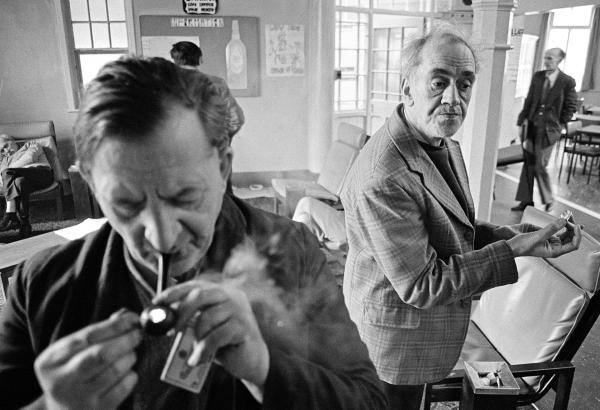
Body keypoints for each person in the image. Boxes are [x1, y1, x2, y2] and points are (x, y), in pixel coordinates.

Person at [0, 57, 387, 410]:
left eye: (184, 196)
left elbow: (369, 401)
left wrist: (266, 370)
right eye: (127, 205)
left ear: (223, 168)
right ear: (91, 183)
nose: (163, 239)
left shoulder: (292, 250)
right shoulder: (41, 284)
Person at [340, 28, 582, 409]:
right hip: (395, 339)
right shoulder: (384, 175)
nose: (453, 99)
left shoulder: (441, 142)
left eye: (465, 84)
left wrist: (519, 234)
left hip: (418, 329)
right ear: (407, 89)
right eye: (439, 83)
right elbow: (423, 284)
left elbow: (451, 230)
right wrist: (515, 248)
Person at [512, 47, 578, 212]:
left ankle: (548, 198)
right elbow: (529, 100)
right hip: (532, 125)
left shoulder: (567, 81)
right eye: (545, 58)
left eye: (550, 58)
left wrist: (559, 124)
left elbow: (571, 106)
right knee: (529, 163)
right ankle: (525, 201)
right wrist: (521, 121)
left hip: (550, 130)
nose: (546, 61)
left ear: (559, 60)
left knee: (540, 164)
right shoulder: (538, 77)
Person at [170, 41, 245, 140]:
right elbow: (237, 119)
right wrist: (220, 142)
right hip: (209, 148)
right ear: (200, 59)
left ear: (175, 60)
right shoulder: (217, 83)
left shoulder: (164, 83)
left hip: (174, 149)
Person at [0, 134, 53, 237]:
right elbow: (2, 179)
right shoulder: (4, 161)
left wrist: (9, 171)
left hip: (42, 174)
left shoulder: (31, 145)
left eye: (6, 146)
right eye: (2, 151)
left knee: (7, 173)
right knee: (20, 182)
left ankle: (10, 213)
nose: (6, 151)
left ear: (12, 140)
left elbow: (30, 158)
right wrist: (8, 172)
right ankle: (25, 224)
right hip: (26, 183)